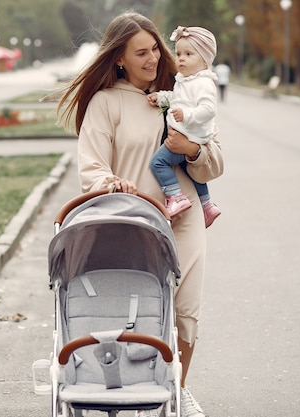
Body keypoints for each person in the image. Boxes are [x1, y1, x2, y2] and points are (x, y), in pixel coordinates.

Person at [57, 11, 224, 417]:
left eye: (155, 50)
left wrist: (193, 151)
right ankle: (131, 388)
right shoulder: (105, 102)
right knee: (142, 309)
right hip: (132, 222)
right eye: (141, 53)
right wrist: (113, 184)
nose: (153, 59)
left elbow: (214, 162)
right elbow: (92, 168)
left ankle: (179, 391)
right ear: (119, 59)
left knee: (185, 311)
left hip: (182, 220)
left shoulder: (178, 95)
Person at [146, 26, 221, 228]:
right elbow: (178, 99)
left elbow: (209, 109)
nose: (181, 58)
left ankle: (176, 197)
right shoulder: (187, 80)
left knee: (158, 163)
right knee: (190, 171)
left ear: (205, 60)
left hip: (189, 135)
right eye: (178, 53)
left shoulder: (203, 83)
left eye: (188, 54)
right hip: (189, 134)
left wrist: (186, 115)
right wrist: (162, 98)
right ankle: (207, 206)